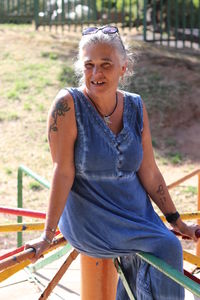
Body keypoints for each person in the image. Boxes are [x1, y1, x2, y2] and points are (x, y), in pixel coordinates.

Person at [25, 25, 199, 299]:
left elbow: (150, 172)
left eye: (106, 64)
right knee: (167, 248)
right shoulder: (68, 105)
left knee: (158, 247)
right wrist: (47, 236)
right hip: (92, 218)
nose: (96, 73)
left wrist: (177, 222)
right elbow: (63, 172)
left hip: (136, 214)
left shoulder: (135, 106)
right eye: (89, 65)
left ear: (123, 68)